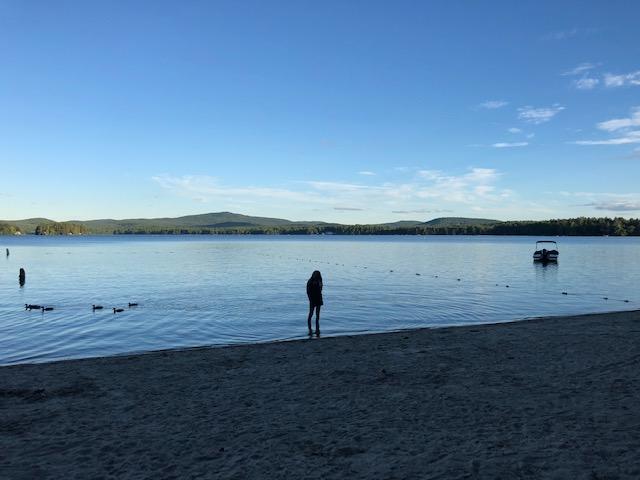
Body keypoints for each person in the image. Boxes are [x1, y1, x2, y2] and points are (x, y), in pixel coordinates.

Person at [306, 270, 323, 336]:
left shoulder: (320, 281)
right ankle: (310, 328)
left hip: (318, 298)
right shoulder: (310, 281)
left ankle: (317, 329)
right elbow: (308, 291)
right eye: (315, 274)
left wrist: (320, 285)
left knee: (317, 314)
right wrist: (310, 299)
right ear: (313, 275)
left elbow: (321, 289)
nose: (316, 276)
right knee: (311, 313)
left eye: (317, 275)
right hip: (312, 299)